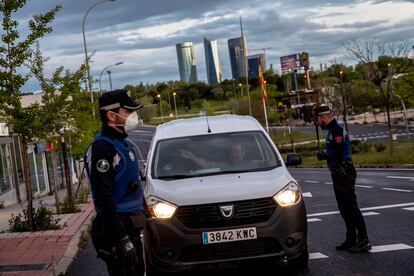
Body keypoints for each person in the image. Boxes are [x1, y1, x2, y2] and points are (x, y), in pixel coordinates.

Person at [84, 89, 145, 275]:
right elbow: (103, 198)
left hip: (131, 228)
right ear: (112, 115)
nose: (133, 115)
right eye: (128, 111)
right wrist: (122, 238)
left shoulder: (125, 145)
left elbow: (133, 188)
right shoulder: (103, 148)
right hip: (116, 229)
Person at [314, 105, 371, 253]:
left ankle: (364, 240)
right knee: (343, 208)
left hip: (344, 172)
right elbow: (334, 148)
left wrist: (326, 155)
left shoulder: (337, 130)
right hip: (338, 173)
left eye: (318, 119)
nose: (317, 123)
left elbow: (339, 151)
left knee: (351, 206)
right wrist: (326, 152)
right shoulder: (332, 131)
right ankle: (351, 238)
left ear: (324, 117)